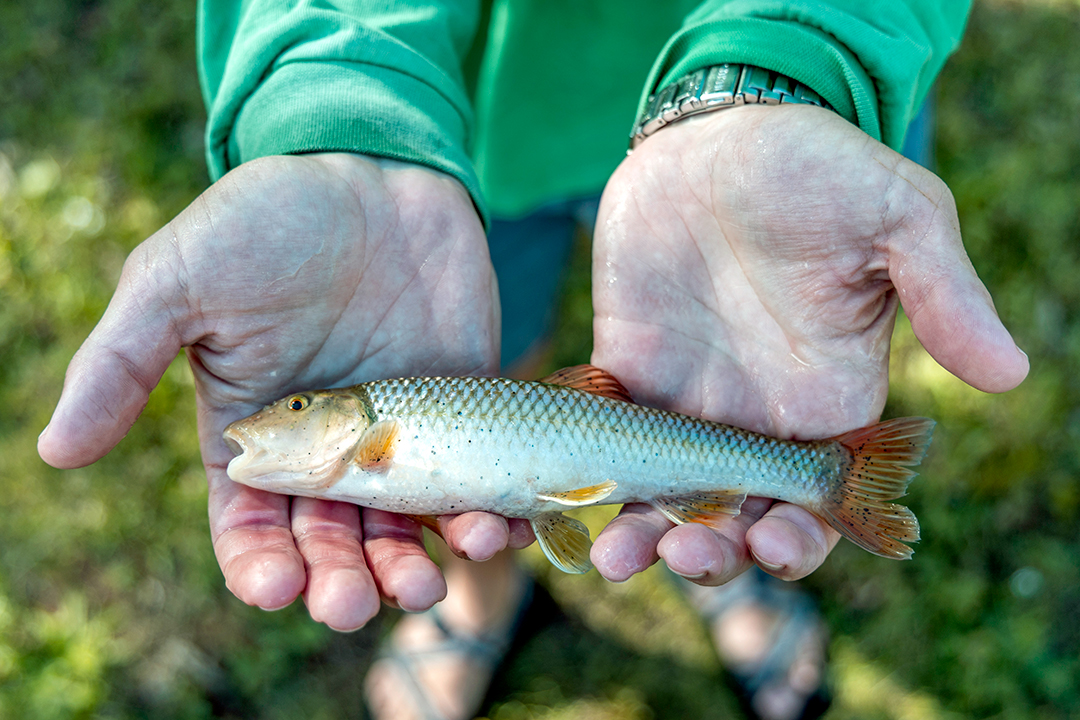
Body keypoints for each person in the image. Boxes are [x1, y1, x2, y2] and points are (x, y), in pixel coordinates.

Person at [38, 1, 1029, 719]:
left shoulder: (375, 432)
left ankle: (760, 533)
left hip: (784, 111)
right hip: (464, 141)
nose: (281, 421)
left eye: (298, 412)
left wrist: (801, 57)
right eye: (298, 411)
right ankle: (489, 591)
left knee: (685, 432)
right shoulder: (378, 407)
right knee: (494, 341)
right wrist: (334, 111)